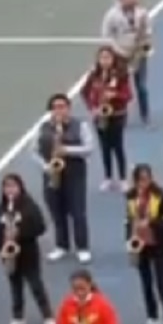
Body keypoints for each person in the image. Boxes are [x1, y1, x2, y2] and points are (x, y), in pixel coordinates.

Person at [30, 92, 94, 263]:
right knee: (56, 211)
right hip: (52, 173)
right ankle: (61, 245)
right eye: (55, 107)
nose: (59, 110)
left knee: (78, 212)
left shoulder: (80, 126)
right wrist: (46, 167)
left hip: (75, 174)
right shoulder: (43, 128)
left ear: (68, 108)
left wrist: (67, 150)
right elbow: (34, 151)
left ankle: (82, 247)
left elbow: (89, 148)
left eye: (62, 106)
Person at [0, 174, 54, 324]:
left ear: (20, 187)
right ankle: (18, 318)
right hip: (10, 255)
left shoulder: (29, 206)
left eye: (13, 186)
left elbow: (40, 226)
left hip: (28, 252)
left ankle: (48, 317)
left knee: (35, 285)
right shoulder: (1, 209)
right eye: (7, 187)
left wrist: (20, 231)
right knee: (15, 286)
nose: (10, 190)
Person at [126, 164, 163, 324]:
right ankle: (152, 318)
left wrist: (151, 223)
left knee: (161, 284)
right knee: (146, 283)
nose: (143, 182)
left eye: (146, 178)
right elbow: (128, 219)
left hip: (158, 243)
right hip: (140, 244)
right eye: (140, 179)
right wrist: (129, 240)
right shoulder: (130, 197)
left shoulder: (160, 196)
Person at [100, 0, 152, 122]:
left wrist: (145, 45)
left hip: (138, 54)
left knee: (141, 85)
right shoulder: (112, 15)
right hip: (120, 56)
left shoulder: (142, 13)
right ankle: (121, 114)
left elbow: (147, 31)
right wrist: (115, 52)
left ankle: (145, 113)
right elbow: (106, 35)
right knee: (121, 87)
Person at [82, 46, 132, 191]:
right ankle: (108, 177)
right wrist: (92, 107)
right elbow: (84, 92)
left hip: (117, 115)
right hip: (99, 115)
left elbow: (128, 95)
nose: (105, 61)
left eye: (108, 58)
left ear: (113, 59)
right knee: (104, 147)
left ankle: (123, 178)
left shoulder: (120, 75)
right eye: (102, 58)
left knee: (118, 146)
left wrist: (115, 95)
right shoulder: (94, 76)